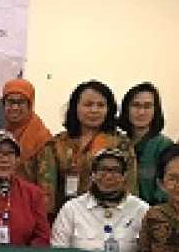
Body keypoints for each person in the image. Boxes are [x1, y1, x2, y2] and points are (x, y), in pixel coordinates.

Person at [38, 80, 136, 215]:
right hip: (65, 217)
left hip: (110, 217)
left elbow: (130, 187)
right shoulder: (56, 144)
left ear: (109, 109)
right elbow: (46, 192)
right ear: (75, 107)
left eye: (101, 105)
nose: (94, 110)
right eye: (88, 105)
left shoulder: (121, 144)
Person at [117, 82, 172, 205]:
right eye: (136, 105)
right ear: (126, 109)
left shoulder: (164, 145)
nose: (141, 112)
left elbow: (166, 190)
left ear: (155, 110)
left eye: (147, 106)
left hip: (153, 211)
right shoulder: (117, 144)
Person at [0, 78, 55, 194]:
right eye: (10, 102)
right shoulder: (1, 137)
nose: (15, 107)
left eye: (20, 102)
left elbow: (47, 189)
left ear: (30, 104)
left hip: (31, 202)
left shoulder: (41, 139)